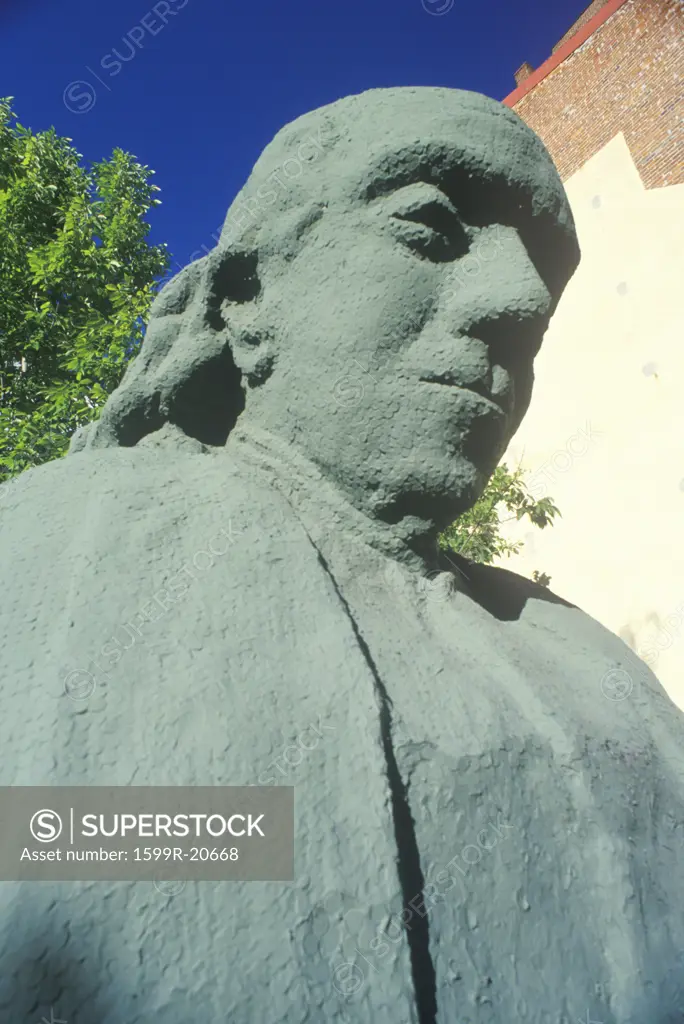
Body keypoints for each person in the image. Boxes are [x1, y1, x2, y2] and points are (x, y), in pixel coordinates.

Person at [1, 87, 682, 1024]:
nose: (522, 303)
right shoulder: (60, 544)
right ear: (247, 302)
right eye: (430, 228)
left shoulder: (595, 664)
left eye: (547, 290)